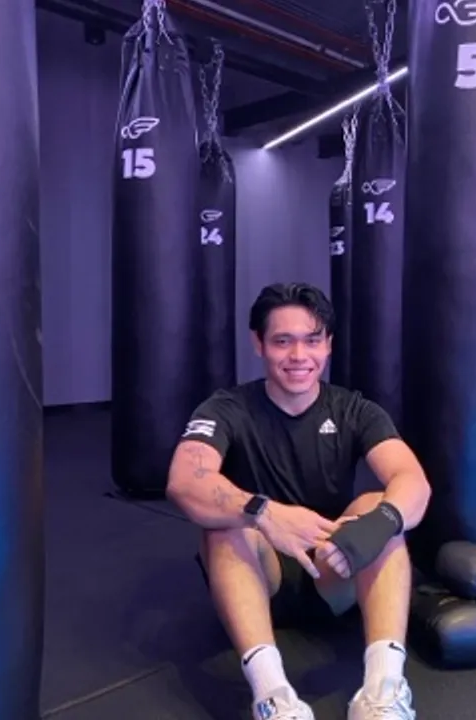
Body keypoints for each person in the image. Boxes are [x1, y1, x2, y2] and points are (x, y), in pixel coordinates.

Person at [166, 283, 432, 720]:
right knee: (224, 521)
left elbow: (414, 482)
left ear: (328, 345)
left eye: (312, 340)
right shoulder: (227, 408)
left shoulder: (354, 410)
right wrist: (264, 512)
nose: (299, 356)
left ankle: (383, 691)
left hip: (332, 567)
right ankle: (273, 697)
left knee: (379, 506)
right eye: (282, 341)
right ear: (259, 344)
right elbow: (183, 479)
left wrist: (379, 523)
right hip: (258, 578)